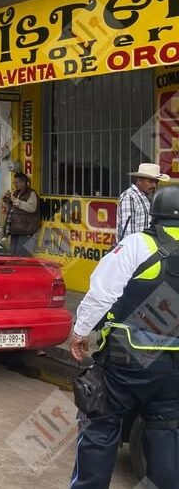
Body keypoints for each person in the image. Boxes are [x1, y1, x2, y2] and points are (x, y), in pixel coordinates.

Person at [68, 185, 179, 489]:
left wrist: (79, 333)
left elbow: (102, 294)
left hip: (126, 361)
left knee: (100, 427)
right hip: (172, 370)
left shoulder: (138, 244)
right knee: (167, 435)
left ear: (154, 213)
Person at [116, 162, 169, 243]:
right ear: (139, 180)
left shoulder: (146, 197)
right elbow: (129, 234)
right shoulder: (130, 197)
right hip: (133, 251)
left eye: (156, 182)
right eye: (151, 181)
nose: (154, 185)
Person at [3, 172, 40, 255]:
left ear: (23, 183)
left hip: (26, 230)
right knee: (12, 253)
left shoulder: (31, 193)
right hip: (15, 229)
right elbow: (11, 209)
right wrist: (7, 199)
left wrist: (16, 201)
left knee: (22, 254)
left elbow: (32, 208)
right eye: (14, 182)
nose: (15, 184)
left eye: (17, 182)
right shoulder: (16, 192)